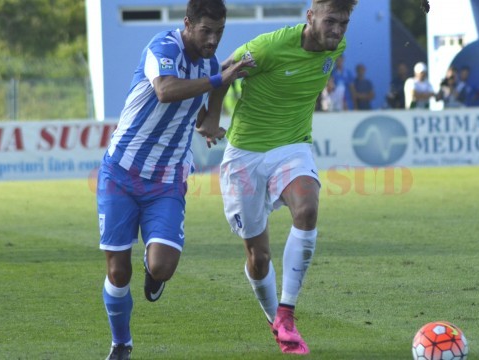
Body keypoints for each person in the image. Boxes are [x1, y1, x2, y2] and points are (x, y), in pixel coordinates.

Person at [95, 1, 252, 359]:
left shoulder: (210, 64)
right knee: (118, 272)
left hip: (166, 179)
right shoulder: (163, 47)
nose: (213, 40)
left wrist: (207, 121)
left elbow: (197, 100)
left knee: (162, 267)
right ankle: (121, 343)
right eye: (206, 31)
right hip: (121, 172)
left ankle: (153, 273)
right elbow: (166, 90)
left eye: (220, 32)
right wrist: (219, 79)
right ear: (187, 24)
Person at [213, 0, 357, 355]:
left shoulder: (336, 45)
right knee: (258, 257)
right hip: (245, 153)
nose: (337, 31)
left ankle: (287, 313)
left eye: (343, 23)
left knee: (307, 209)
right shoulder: (268, 47)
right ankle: (275, 322)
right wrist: (208, 118)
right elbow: (223, 71)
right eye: (330, 22)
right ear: (310, 17)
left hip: (292, 146)